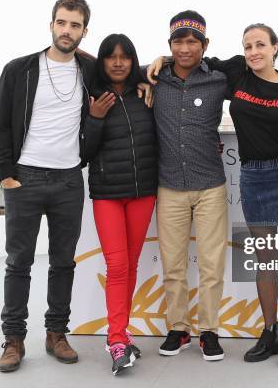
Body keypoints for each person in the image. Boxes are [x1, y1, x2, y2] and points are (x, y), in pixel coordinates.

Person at [148, 23, 278, 367]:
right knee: (265, 260)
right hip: (253, 175)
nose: (253, 51)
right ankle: (270, 332)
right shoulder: (238, 76)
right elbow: (194, 56)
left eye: (260, 45)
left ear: (275, 47)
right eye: (247, 46)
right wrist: (162, 57)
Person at [0, 0, 93, 372]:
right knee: (18, 262)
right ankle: (13, 339)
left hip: (69, 180)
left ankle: (56, 334)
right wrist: (7, 173)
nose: (67, 31)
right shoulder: (20, 69)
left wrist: (156, 66)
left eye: (75, 25)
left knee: (63, 261)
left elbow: (126, 69)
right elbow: (0, 121)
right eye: (62, 23)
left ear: (84, 31)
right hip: (26, 178)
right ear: (51, 24)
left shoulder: (88, 70)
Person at [147, 10, 229, 362]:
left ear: (204, 44)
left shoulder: (220, 79)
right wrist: (155, 62)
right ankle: (178, 329)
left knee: (212, 265)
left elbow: (260, 72)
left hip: (210, 185)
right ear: (169, 46)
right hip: (170, 187)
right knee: (173, 265)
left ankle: (208, 332)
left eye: (192, 41)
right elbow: (109, 64)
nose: (185, 48)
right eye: (178, 41)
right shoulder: (153, 77)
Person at [82, 34, 158, 375]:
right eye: (110, 57)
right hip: (108, 194)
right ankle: (116, 339)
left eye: (124, 57)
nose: (117, 62)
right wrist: (95, 118)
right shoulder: (91, 95)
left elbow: (170, 63)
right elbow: (83, 153)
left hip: (143, 192)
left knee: (131, 264)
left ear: (133, 60)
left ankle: (122, 333)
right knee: (117, 266)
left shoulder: (147, 91)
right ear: (101, 61)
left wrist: (155, 68)